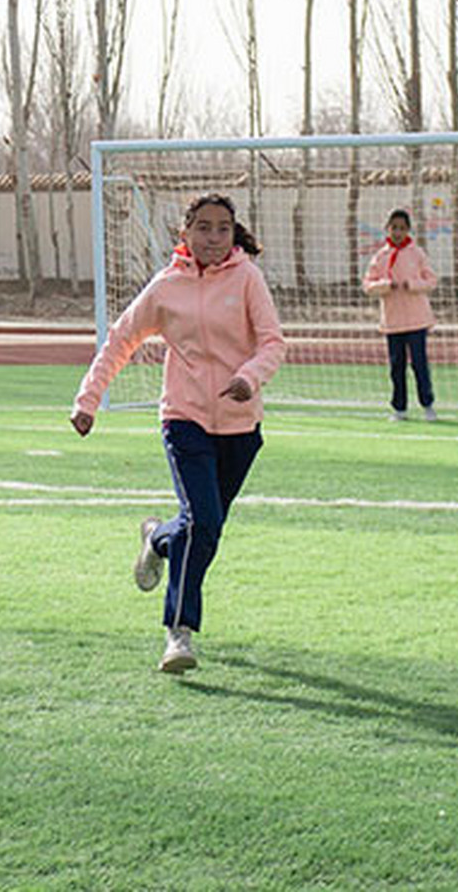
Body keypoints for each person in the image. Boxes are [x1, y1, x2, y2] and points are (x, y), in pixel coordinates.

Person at [70, 192, 285, 675]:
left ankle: (158, 539)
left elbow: (273, 342)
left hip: (240, 425)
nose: (213, 237)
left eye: (223, 228)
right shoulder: (165, 288)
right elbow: (121, 339)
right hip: (184, 419)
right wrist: (88, 400)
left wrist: (249, 377)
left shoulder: (247, 279)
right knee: (203, 520)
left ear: (234, 234)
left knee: (202, 529)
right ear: (185, 233)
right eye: (203, 227)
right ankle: (178, 633)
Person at [363, 207, 438, 422]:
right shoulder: (380, 256)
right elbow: (368, 285)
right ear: (387, 229)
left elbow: (431, 280)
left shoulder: (417, 254)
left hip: (417, 319)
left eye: (402, 228)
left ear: (408, 230)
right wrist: (386, 285)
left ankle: (427, 404)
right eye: (394, 228)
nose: (398, 232)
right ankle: (399, 408)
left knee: (420, 365)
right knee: (396, 367)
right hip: (393, 321)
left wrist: (411, 285)